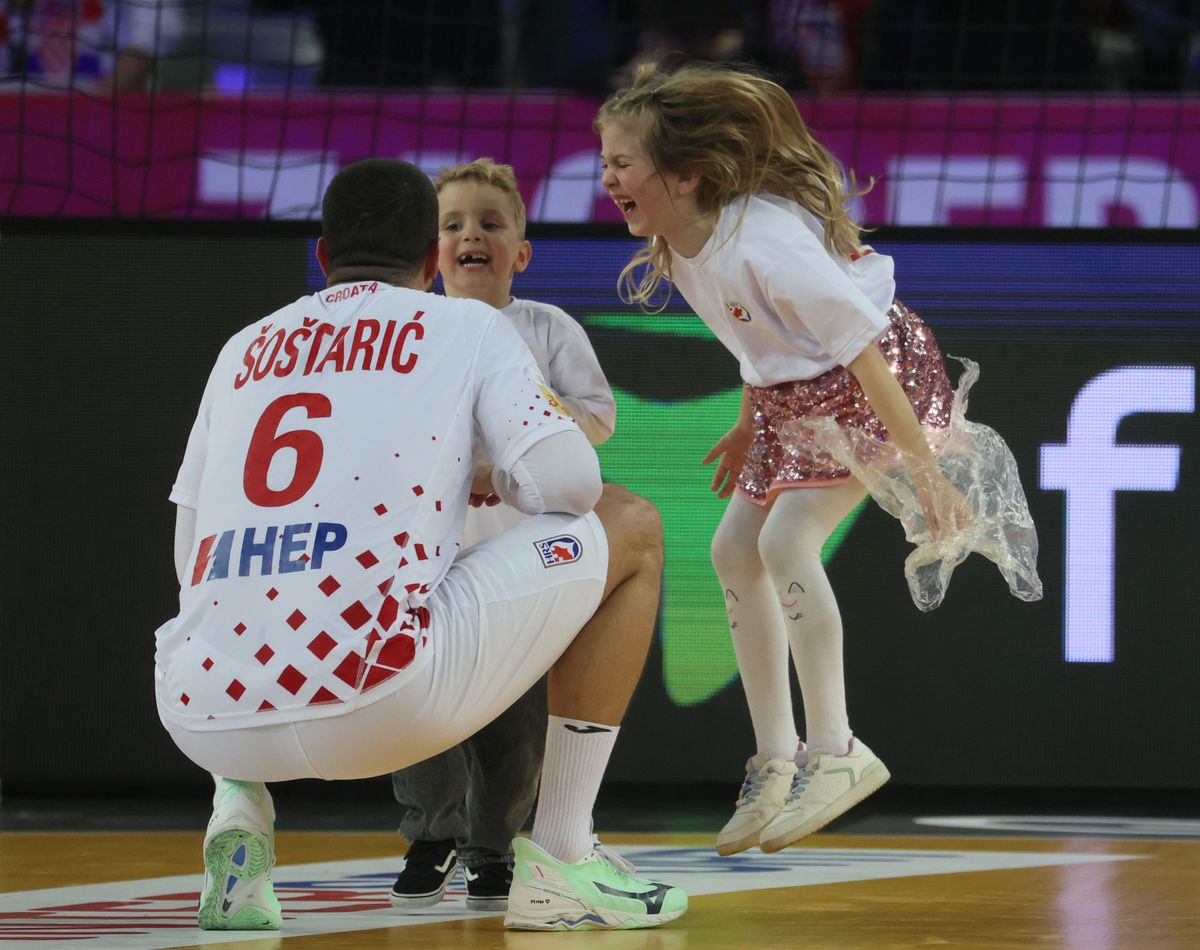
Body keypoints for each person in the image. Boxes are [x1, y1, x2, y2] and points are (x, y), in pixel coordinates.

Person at [154, 157, 686, 932]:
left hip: (199, 711)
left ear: (325, 259)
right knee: (631, 523)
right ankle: (566, 855)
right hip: (376, 695)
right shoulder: (468, 324)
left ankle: (238, 811)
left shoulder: (244, 347)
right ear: (433, 262)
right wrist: (492, 477)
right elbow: (571, 485)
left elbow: (188, 550)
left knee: (226, 598)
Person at [595, 63, 1031, 856]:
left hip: (876, 378)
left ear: (684, 175)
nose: (607, 177)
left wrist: (925, 474)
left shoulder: (766, 244)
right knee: (732, 549)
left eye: (622, 162)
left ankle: (837, 751)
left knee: (784, 543)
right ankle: (775, 759)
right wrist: (745, 420)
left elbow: (865, 356)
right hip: (792, 395)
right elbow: (754, 341)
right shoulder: (680, 244)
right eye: (604, 161)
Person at [387, 158, 617, 912]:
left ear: (520, 252)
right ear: (430, 251)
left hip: (517, 554)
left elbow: (598, 420)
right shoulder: (410, 331)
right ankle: (432, 833)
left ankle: (496, 848)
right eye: (451, 225)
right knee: (417, 699)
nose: (470, 236)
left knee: (515, 718)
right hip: (428, 556)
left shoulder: (546, 329)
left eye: (490, 223)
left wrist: (522, 430)